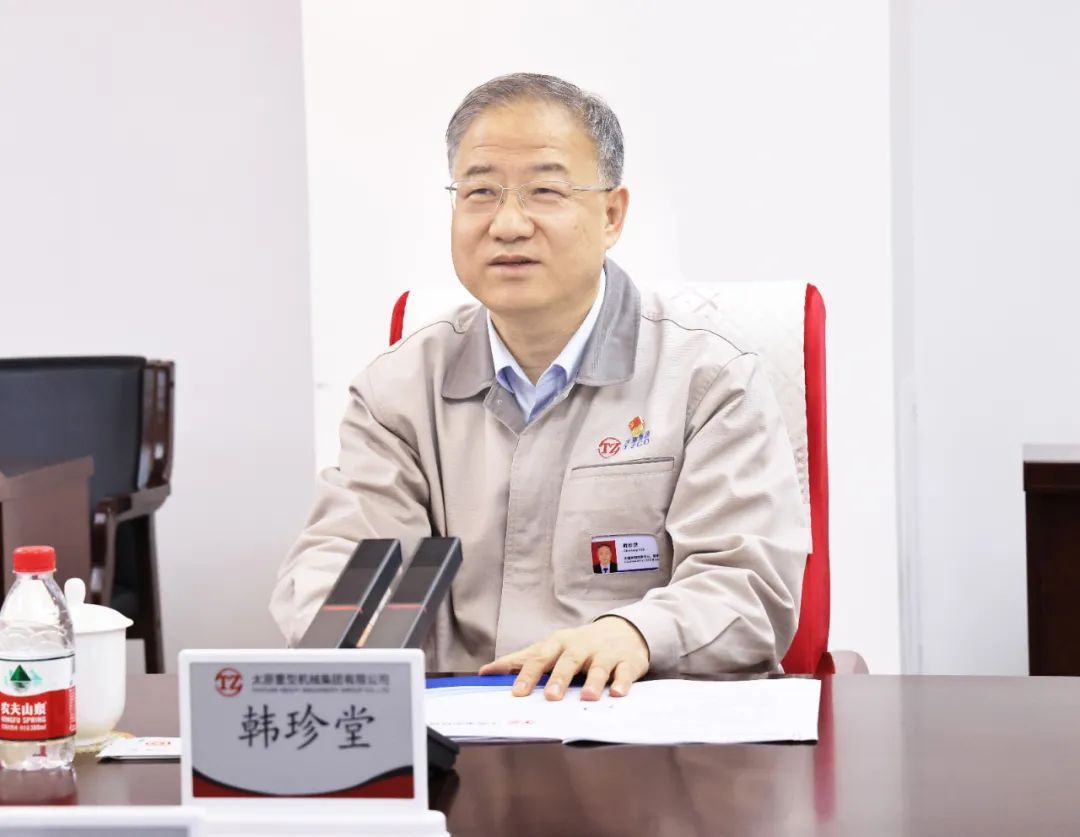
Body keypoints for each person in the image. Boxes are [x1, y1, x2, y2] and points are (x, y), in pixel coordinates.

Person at [271, 72, 809, 702]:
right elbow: (345, 558)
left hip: (639, 723)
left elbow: (747, 585)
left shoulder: (708, 381)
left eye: (545, 191)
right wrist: (346, 628)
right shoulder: (398, 390)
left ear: (611, 214)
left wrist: (637, 633)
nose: (507, 225)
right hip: (463, 728)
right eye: (480, 192)